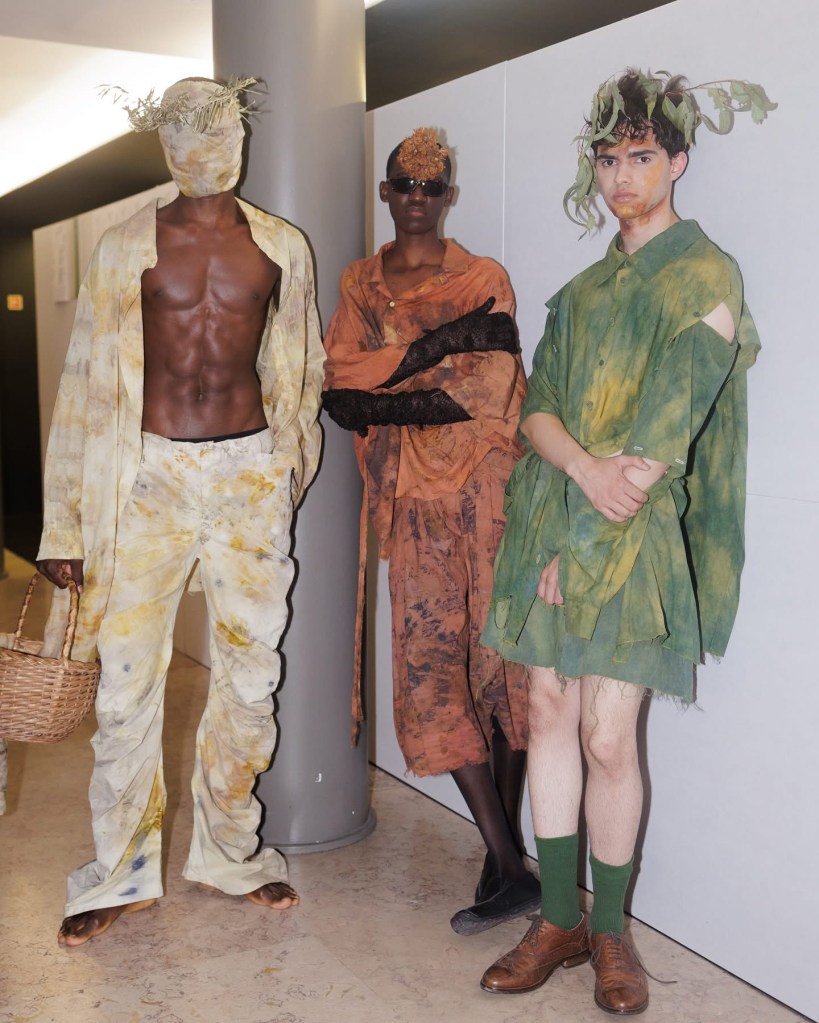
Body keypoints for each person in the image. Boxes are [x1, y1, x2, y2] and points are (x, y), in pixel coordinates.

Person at [479, 70, 769, 1014]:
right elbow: (538, 410)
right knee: (547, 713)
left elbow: (661, 438)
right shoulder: (582, 290)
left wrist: (592, 519)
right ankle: (556, 918)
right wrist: (576, 471)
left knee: (607, 735)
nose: (621, 177)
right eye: (607, 160)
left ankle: (607, 930)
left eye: (640, 156)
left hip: (631, 536)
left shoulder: (706, 276)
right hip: (554, 518)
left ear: (677, 160)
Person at [36, 77, 324, 946]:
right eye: (187, 130)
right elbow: (83, 382)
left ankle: (231, 852)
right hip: (146, 477)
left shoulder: (281, 246)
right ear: (164, 143)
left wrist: (282, 465)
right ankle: (118, 870)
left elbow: (301, 366)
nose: (204, 145)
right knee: (126, 687)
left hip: (246, 478)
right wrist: (65, 523)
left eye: (217, 127)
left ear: (240, 135)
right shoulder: (125, 245)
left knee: (250, 676)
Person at [322, 128, 537, 935]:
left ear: (448, 195)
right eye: (404, 185)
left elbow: (487, 390)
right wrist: (440, 347)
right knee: (430, 670)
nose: (417, 197)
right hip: (412, 498)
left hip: (490, 488)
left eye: (432, 186)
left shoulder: (483, 277)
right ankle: (509, 861)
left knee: (502, 661)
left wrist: (390, 384)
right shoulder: (358, 282)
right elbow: (338, 382)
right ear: (385, 192)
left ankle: (501, 856)